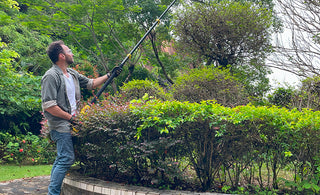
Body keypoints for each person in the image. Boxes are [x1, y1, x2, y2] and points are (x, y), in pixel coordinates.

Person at [41, 40, 121, 195]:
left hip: (71, 123)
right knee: (66, 158)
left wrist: (110, 75)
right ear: (61, 55)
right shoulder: (50, 76)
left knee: (61, 158)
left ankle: (53, 192)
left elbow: (91, 84)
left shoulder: (71, 74)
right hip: (60, 125)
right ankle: (53, 193)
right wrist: (71, 118)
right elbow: (49, 105)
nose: (72, 52)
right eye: (68, 50)